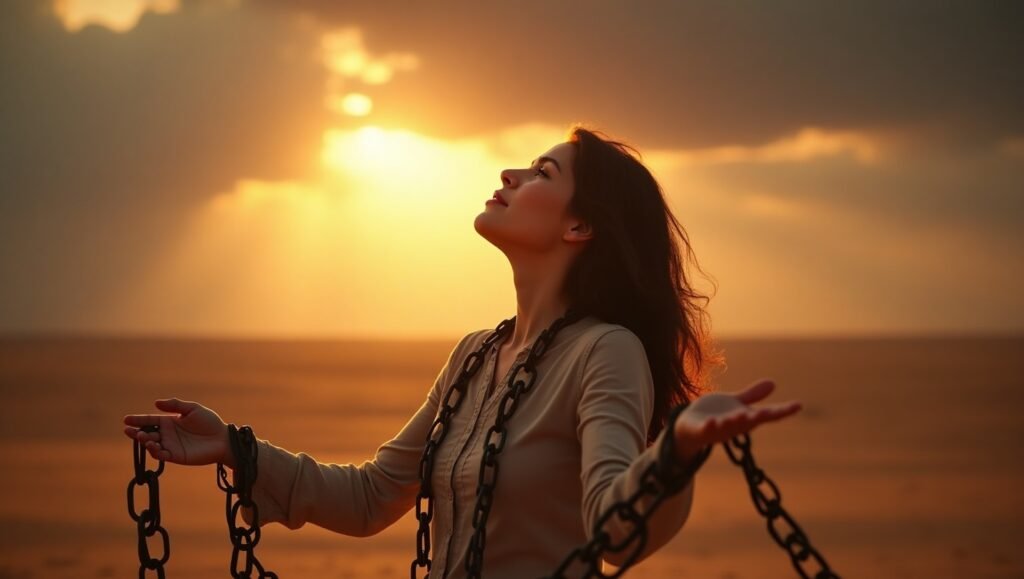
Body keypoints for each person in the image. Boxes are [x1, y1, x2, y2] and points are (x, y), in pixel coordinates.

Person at [123, 125, 803, 578]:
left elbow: (613, 525)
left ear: (579, 225)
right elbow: (372, 496)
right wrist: (235, 447)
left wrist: (677, 454)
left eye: (540, 171)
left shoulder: (606, 352)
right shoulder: (475, 355)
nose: (509, 173)